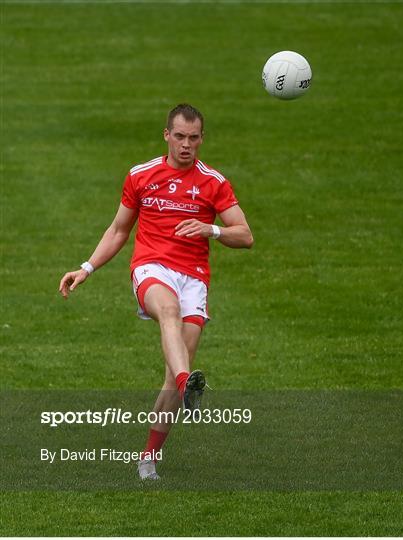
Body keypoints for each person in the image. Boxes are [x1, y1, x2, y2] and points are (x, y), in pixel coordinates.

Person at [59, 103, 253, 480]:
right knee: (168, 312)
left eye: (193, 138)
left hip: (194, 277)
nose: (186, 145)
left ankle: (148, 456)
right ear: (166, 135)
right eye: (179, 137)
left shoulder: (213, 182)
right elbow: (118, 230)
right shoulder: (141, 175)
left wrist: (209, 229)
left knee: (171, 374)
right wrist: (86, 268)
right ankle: (188, 383)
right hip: (151, 267)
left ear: (202, 139)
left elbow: (245, 236)